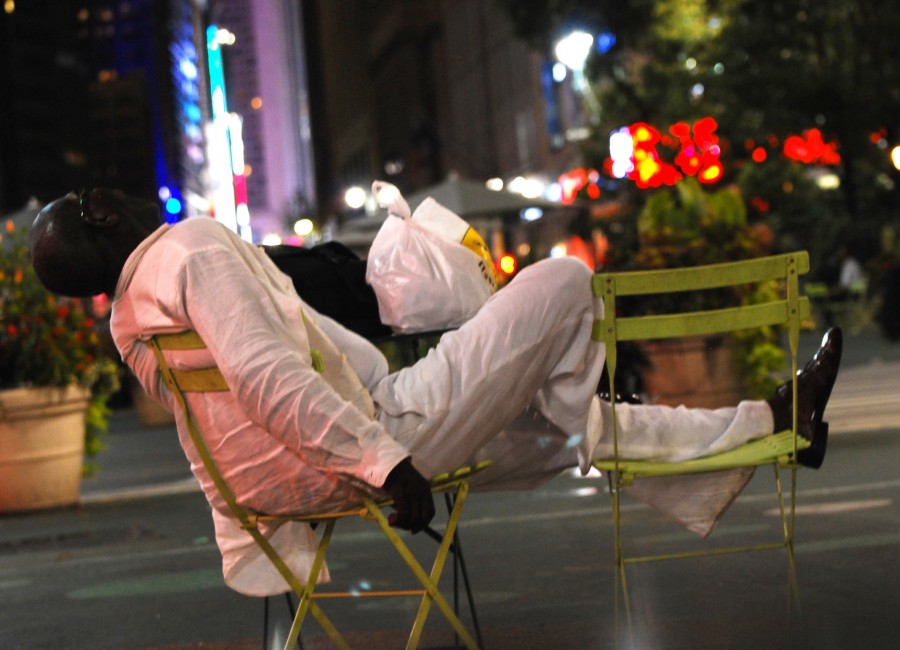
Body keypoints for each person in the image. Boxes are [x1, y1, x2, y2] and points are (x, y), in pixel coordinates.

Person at [29, 188, 842, 596]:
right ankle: (587, 418)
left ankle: (773, 424)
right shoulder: (191, 247)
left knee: (561, 436)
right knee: (562, 280)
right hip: (369, 447)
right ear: (104, 213)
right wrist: (383, 462)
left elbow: (272, 381)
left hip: (286, 482)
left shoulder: (131, 322)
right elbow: (266, 377)